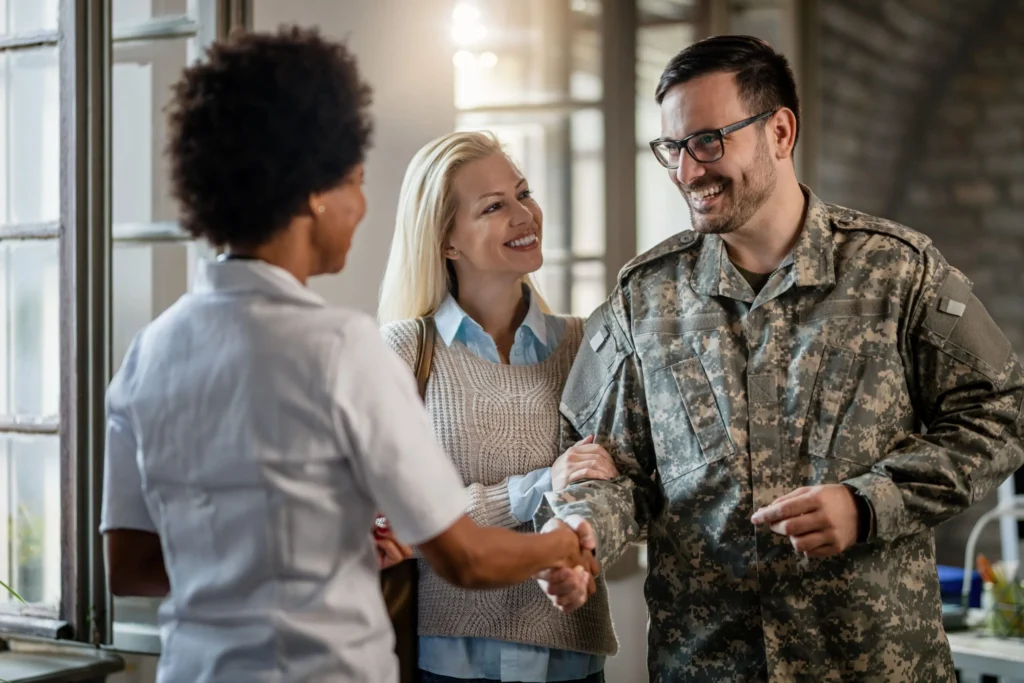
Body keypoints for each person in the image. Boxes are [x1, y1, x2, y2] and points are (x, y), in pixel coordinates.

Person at [98, 28, 597, 683]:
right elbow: (463, 557)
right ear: (314, 191)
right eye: (355, 182)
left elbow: (131, 567)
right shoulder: (343, 348)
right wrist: (564, 544)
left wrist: (291, 552)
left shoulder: (149, 352)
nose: (362, 208)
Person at [537, 34, 1024, 682]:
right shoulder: (645, 295)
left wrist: (869, 501)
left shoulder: (897, 272)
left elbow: (1000, 413)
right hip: (706, 665)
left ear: (780, 131)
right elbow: (614, 467)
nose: (687, 171)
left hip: (872, 663)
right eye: (672, 148)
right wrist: (582, 532)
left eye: (708, 141)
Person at [375, 130, 618, 683]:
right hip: (447, 662)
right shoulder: (403, 349)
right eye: (493, 206)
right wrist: (539, 483)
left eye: (523, 192)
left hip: (572, 657)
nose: (524, 213)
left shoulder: (587, 344)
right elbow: (395, 521)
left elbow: (613, 493)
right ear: (447, 242)